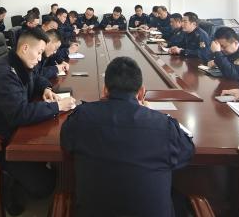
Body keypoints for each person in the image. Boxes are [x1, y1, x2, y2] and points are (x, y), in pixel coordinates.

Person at [61, 56, 195, 217]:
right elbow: (187, 150)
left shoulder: (81, 116)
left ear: (105, 90)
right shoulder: (164, 126)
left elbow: (66, 143)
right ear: (141, 92)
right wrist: (154, 114)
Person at [0, 28, 76, 215]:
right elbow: (19, 114)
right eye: (39, 52)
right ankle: (8, 182)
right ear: (25, 48)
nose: (40, 58)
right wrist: (57, 107)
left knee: (50, 174)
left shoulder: (22, 63)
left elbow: (37, 78)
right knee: (44, 186)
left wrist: (46, 89)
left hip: (14, 132)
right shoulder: (6, 75)